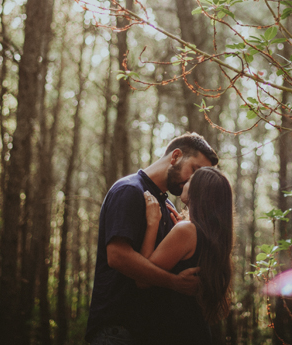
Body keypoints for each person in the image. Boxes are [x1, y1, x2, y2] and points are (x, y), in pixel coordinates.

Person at [85, 132, 219, 345]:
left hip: (147, 332)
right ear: (175, 156)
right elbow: (117, 256)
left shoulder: (167, 206)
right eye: (194, 170)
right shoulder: (129, 190)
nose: (193, 181)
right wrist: (174, 282)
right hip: (117, 330)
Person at [135, 166, 234, 345]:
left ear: (199, 192)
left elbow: (142, 279)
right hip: (195, 331)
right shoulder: (215, 238)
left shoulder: (187, 231)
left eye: (190, 181)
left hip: (174, 332)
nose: (185, 182)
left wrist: (152, 223)